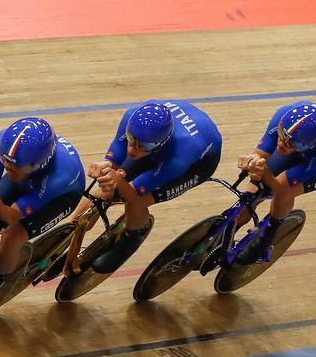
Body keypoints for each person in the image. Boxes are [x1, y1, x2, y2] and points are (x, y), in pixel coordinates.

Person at [0, 117, 86, 322]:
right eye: (5, 162)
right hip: (27, 176)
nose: (7, 168)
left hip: (60, 196)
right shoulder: (6, 148)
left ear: (37, 164)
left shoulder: (58, 177)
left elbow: (11, 216)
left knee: (12, 234)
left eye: (13, 167)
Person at [86, 100, 222, 273]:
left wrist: (119, 181)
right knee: (104, 189)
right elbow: (118, 154)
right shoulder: (132, 116)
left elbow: (133, 195)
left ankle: (132, 238)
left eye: (143, 146)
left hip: (198, 163)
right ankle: (70, 233)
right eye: (131, 139)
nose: (132, 150)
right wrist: (106, 165)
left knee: (136, 201)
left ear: (161, 142)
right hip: (161, 142)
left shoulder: (179, 157)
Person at [234, 101, 316, 263]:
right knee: (253, 192)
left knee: (281, 193)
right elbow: (259, 155)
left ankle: (269, 234)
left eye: (290, 143)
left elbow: (281, 190)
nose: (281, 143)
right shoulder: (284, 115)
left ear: (308, 145)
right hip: (303, 137)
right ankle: (228, 230)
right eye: (281, 134)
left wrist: (264, 174)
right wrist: (252, 162)